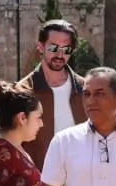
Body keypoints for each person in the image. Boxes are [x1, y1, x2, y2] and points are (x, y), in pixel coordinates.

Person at [20, 19, 86, 170]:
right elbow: (12, 143)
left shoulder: (86, 90)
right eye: (54, 47)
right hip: (39, 183)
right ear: (40, 46)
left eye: (66, 49)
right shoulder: (23, 91)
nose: (60, 54)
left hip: (81, 182)